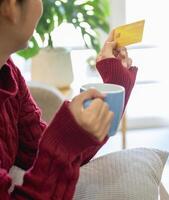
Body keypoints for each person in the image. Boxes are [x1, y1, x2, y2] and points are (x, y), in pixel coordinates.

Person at [0, 0, 138, 199]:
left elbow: (48, 156)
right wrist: (65, 138)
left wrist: (116, 83)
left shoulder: (8, 72)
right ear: (11, 6)